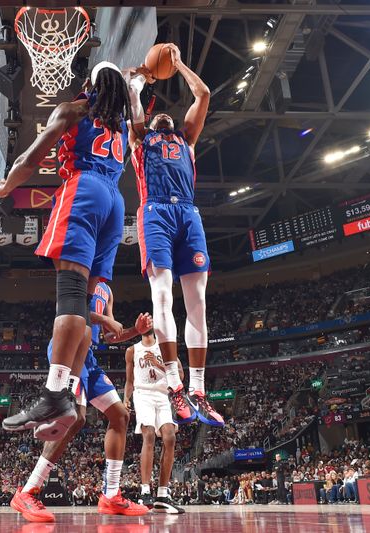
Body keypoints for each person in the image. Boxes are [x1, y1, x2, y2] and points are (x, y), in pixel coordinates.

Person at [0, 62, 133, 437]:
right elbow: (133, 97)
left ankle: (54, 393)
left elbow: (30, 159)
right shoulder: (124, 125)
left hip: (84, 190)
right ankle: (66, 391)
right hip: (116, 203)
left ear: (90, 84)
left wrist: (6, 185)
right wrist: (139, 77)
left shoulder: (74, 110)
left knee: (69, 294)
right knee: (83, 303)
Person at [127, 43, 223, 427]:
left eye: (169, 114)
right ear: (149, 125)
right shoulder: (140, 141)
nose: (164, 115)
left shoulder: (187, 139)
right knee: (162, 296)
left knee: (197, 301)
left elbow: (203, 94)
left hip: (188, 213)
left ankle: (198, 389)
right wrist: (137, 83)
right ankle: (173, 383)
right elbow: (132, 104)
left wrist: (179, 64)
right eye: (157, 116)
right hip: (155, 214)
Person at [11, 283, 151, 522]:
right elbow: (68, 309)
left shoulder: (107, 290)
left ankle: (111, 495)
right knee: (73, 417)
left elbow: (111, 335)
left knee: (120, 415)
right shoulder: (78, 274)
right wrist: (105, 321)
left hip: (89, 356)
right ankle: (28, 491)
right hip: (68, 347)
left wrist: (134, 331)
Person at [124, 329, 184, 513]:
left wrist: (163, 365)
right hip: (143, 394)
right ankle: (145, 492)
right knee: (148, 434)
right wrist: (126, 399)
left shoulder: (165, 347)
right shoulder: (132, 350)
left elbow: (180, 374)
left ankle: (162, 495)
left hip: (162, 394)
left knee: (170, 438)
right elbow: (129, 380)